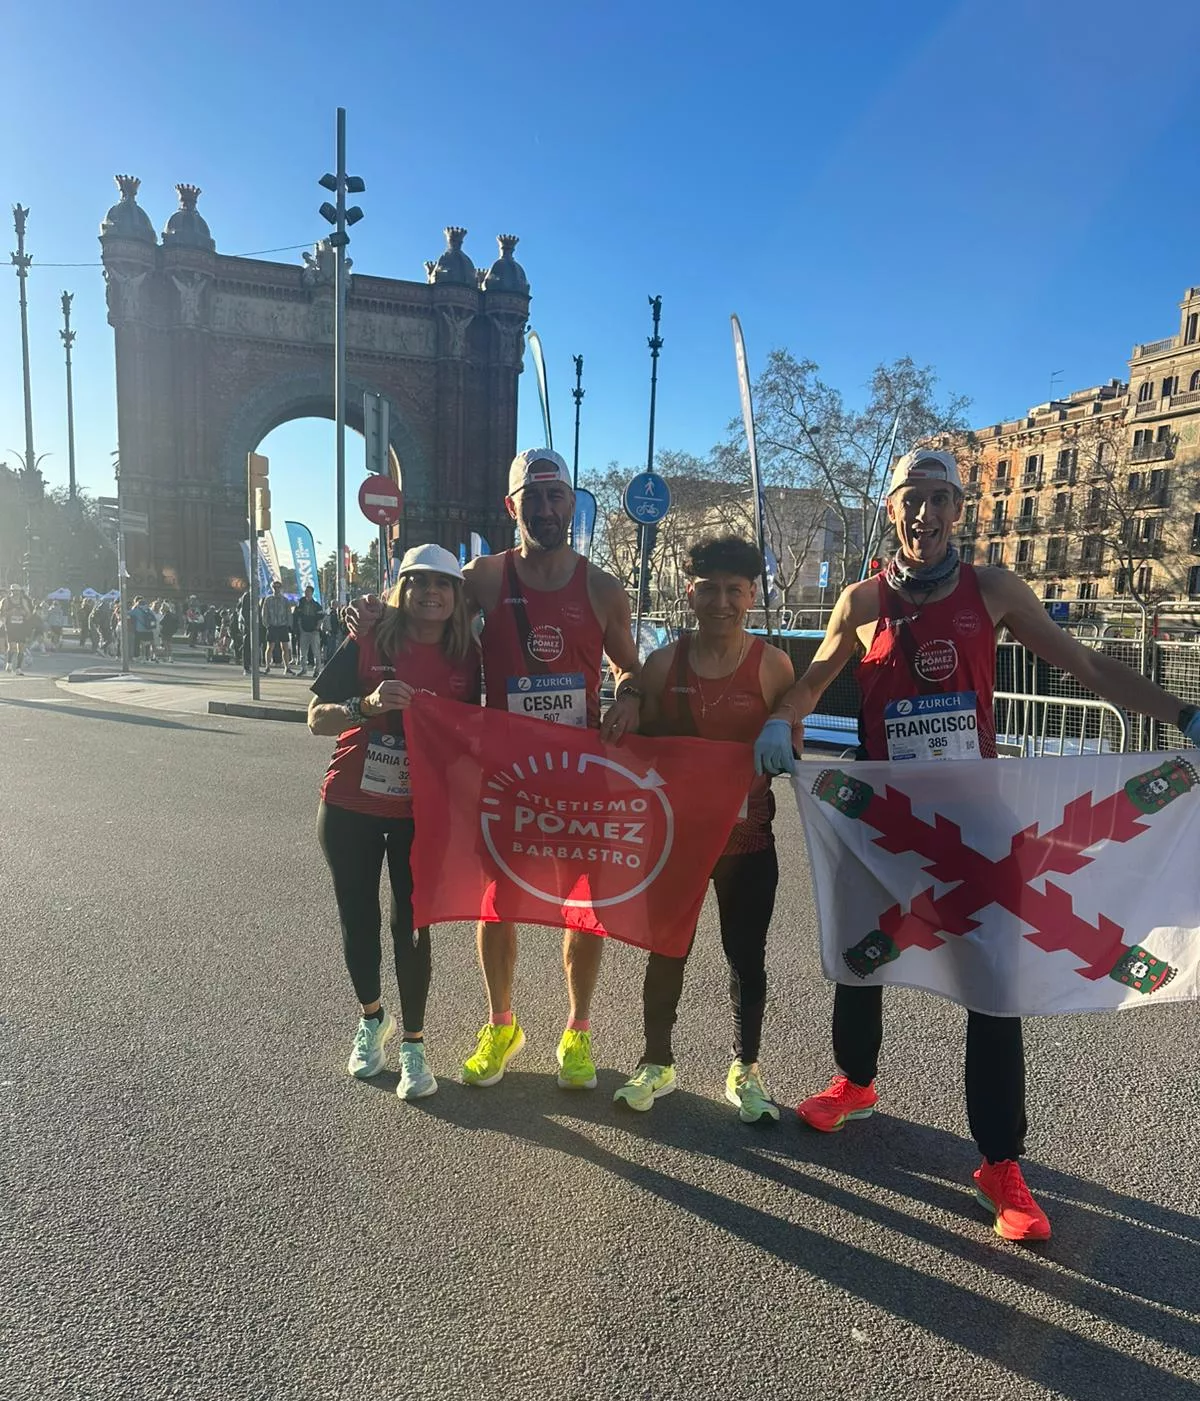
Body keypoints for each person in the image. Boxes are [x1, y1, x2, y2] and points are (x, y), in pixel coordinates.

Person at [756, 447, 1200, 1243]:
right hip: (878, 813)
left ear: (959, 512)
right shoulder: (859, 602)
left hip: (979, 822)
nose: (924, 514)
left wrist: (1181, 715)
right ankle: (856, 1082)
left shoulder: (990, 589)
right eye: (911, 499)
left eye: (940, 500)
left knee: (994, 983)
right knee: (864, 955)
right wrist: (778, 723)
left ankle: (1000, 1161)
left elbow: (1086, 663)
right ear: (890, 508)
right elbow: (812, 682)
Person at [350, 448, 642, 1092]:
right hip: (505, 779)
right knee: (496, 906)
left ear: (572, 504)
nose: (544, 509)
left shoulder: (601, 588)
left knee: (582, 909)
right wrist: (374, 622)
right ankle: (502, 1022)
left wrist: (629, 697)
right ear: (513, 508)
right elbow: (422, 610)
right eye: (530, 499)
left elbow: (632, 669)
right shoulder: (483, 578)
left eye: (555, 497)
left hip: (576, 779)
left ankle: (578, 1030)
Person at [614, 535, 795, 1122]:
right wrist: (626, 698)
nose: (721, 602)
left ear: (751, 595)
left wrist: (784, 741)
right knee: (667, 950)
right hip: (677, 841)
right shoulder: (667, 661)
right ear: (690, 592)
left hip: (747, 841)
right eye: (709, 589)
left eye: (734, 591)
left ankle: (746, 1068)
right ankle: (656, 1061)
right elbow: (634, 704)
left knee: (747, 956)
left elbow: (790, 741)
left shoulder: (771, 664)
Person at [308, 545, 482, 1099]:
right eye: (418, 581)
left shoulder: (467, 656)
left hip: (419, 812)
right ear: (401, 589)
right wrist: (367, 704)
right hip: (350, 805)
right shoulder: (371, 635)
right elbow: (315, 718)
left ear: (457, 597)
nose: (431, 592)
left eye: (443, 584)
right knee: (357, 921)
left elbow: (479, 731)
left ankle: (413, 1045)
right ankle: (371, 1017)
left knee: (412, 925)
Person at [261, 581, 293, 673]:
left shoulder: (285, 600)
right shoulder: (268, 599)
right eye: (275, 587)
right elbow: (264, 613)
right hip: (272, 626)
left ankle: (287, 667)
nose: (276, 589)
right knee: (270, 647)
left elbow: (289, 613)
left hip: (282, 626)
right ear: (272, 588)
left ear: (281, 588)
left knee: (285, 647)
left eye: (278, 587)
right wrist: (266, 624)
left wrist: (289, 624)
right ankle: (267, 666)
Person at [2, 584, 35, 674]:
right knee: (12, 646)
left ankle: (18, 668)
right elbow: (2, 613)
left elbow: (28, 614)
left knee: (21, 647)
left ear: (20, 592)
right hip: (11, 626)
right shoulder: (6, 601)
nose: (16, 593)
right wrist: (10, 613)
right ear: (11, 591)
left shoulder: (23, 601)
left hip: (21, 626)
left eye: (17, 591)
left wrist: (23, 613)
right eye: (14, 591)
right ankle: (9, 664)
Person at [294, 585, 324, 677]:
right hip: (304, 631)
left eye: (308, 591)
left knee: (316, 652)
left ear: (312, 593)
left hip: (314, 631)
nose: (306, 593)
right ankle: (303, 669)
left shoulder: (316, 605)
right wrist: (299, 628)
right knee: (303, 652)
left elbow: (320, 618)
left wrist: (317, 628)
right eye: (305, 591)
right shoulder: (301, 603)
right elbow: (297, 616)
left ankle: (317, 670)